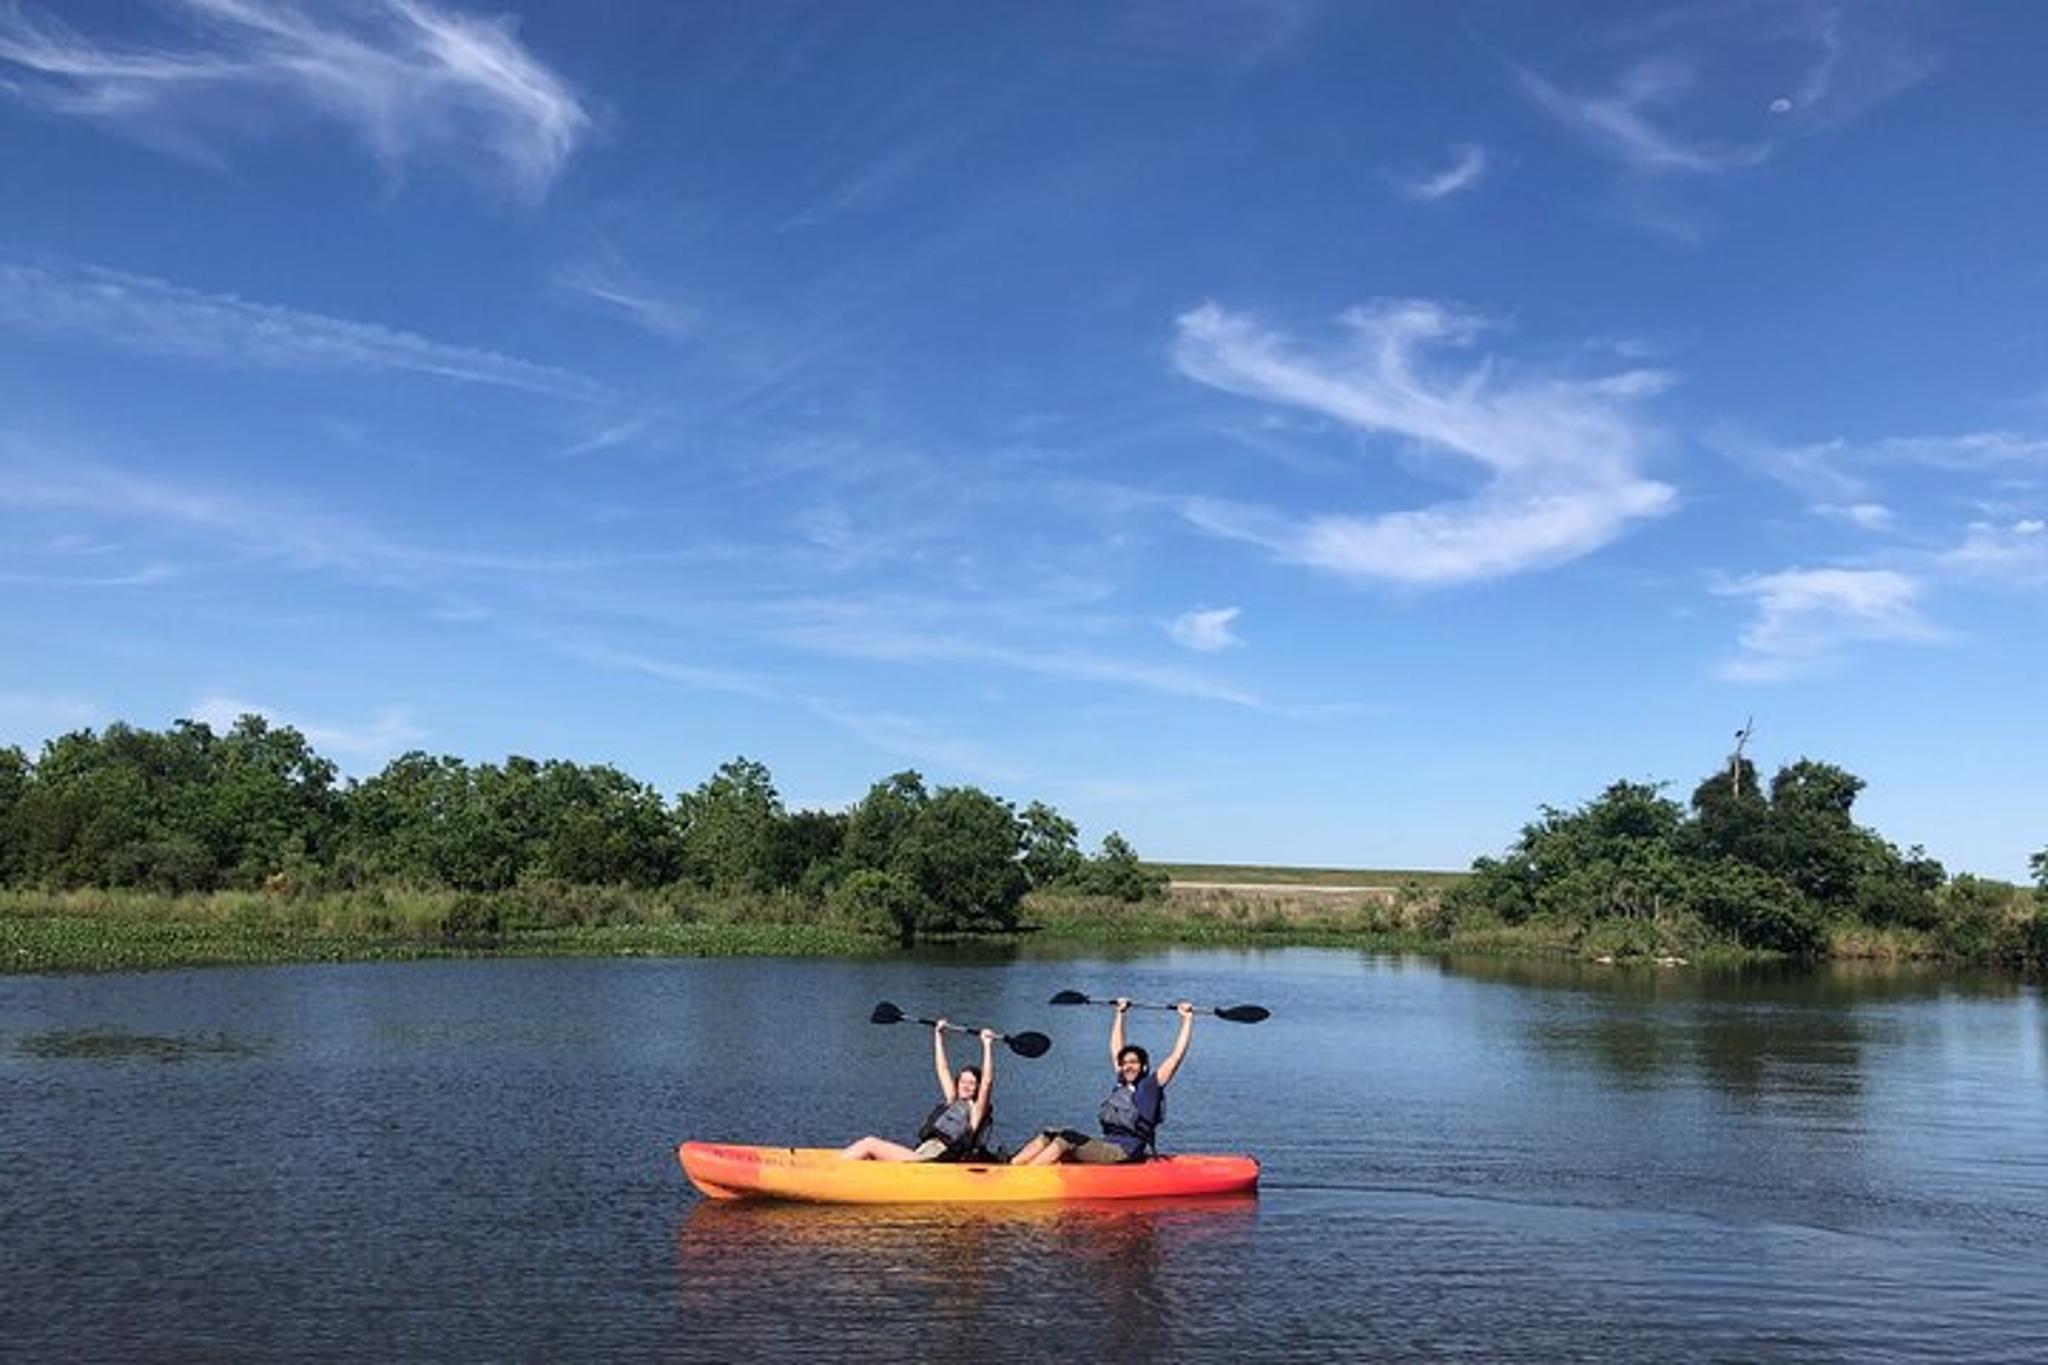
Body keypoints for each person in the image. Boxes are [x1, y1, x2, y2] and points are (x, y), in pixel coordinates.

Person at [1010, 998, 1193, 1165]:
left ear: (1144, 1066)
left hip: (1123, 1153)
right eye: (1125, 1063)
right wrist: (1120, 1013)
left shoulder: (1150, 1086)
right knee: (1049, 1133)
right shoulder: (1122, 1081)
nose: (1128, 1066)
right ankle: (1012, 1167)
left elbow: (1176, 1057)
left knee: (1065, 1140)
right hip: (1106, 1146)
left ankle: (1023, 1179)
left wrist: (1186, 1020)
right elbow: (1116, 1048)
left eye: (1134, 1063)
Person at [839, 1019, 997, 1162]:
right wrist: (938, 1035)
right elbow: (942, 1068)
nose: (965, 1085)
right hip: (922, 1153)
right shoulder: (952, 1100)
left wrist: (987, 1045)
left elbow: (987, 1082)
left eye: (971, 1083)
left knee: (869, 1143)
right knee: (869, 1154)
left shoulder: (975, 1111)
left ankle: (830, 1171)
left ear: (977, 1087)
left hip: (932, 1162)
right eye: (963, 1081)